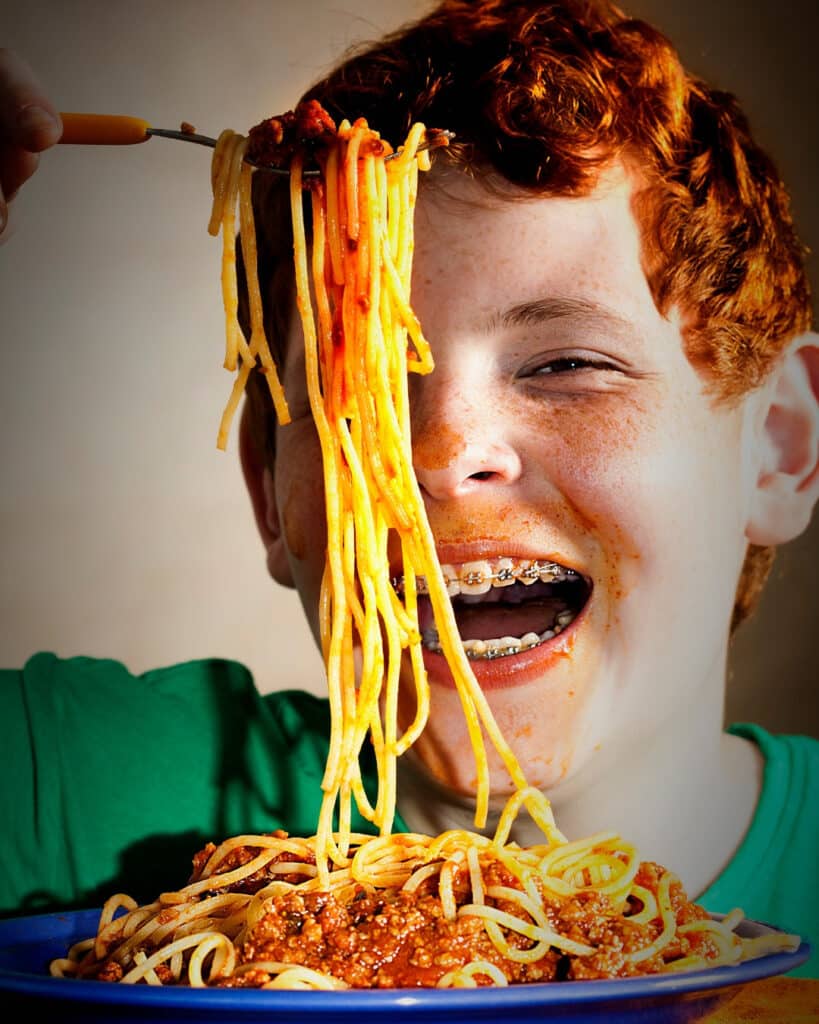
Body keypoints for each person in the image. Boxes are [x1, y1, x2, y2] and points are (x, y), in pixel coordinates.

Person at [2, 0, 818, 982]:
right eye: (361, 381)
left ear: (780, 450)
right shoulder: (66, 783)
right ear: (271, 485)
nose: (438, 450)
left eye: (564, 363)